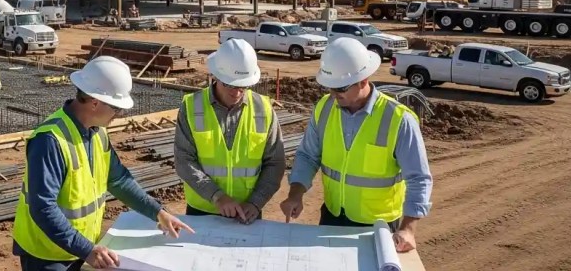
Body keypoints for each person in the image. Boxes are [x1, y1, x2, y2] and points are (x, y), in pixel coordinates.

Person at [12, 56, 194, 270]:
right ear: (94, 102)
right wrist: (86, 249)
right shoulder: (50, 140)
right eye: (116, 108)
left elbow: (118, 180)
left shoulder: (97, 133)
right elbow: (43, 207)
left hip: (81, 247)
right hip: (47, 255)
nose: (120, 114)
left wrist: (158, 212)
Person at [280, 38, 431, 253]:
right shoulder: (324, 108)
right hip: (332, 216)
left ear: (363, 80)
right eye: (330, 87)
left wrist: (408, 229)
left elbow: (418, 178)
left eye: (340, 88)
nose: (334, 94)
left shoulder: (398, 119)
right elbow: (307, 155)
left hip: (379, 226)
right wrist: (295, 194)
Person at [174, 39, 285, 223]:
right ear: (216, 76)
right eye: (230, 84)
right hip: (202, 210)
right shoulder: (192, 107)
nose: (237, 92)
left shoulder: (263, 109)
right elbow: (183, 161)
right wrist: (217, 196)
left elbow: (275, 163)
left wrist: (256, 202)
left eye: (243, 86)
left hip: (248, 212)